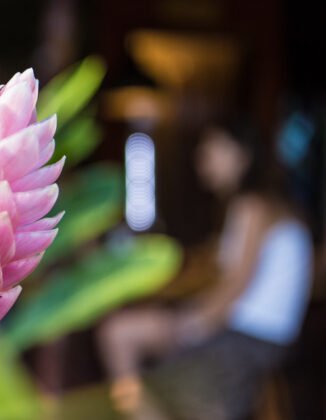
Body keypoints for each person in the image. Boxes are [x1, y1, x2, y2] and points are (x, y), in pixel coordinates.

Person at [98, 119, 314, 420]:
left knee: (118, 333)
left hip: (248, 334)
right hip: (257, 332)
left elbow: (238, 283)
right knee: (125, 332)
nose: (202, 158)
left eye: (212, 148)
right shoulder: (262, 205)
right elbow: (221, 271)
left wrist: (192, 326)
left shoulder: (251, 206)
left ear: (241, 154)